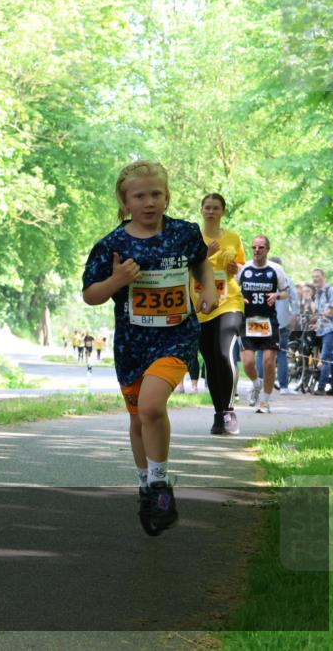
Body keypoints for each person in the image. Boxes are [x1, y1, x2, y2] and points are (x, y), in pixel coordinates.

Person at [82, 160, 216, 537]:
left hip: (176, 336)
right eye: (139, 195)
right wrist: (116, 280)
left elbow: (201, 263)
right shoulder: (112, 245)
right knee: (139, 418)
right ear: (125, 202)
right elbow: (91, 295)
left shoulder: (185, 234)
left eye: (156, 194)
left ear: (167, 197)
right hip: (132, 343)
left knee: (152, 406)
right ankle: (145, 487)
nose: (149, 202)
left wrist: (207, 287)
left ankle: (159, 485)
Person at [193, 193, 245, 435]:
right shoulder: (193, 238)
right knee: (210, 359)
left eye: (216, 208)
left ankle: (230, 411)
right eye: (207, 207)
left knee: (224, 352)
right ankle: (218, 413)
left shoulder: (233, 238)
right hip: (202, 304)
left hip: (229, 301)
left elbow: (239, 267)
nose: (211, 211)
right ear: (201, 211)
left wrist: (235, 268)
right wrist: (204, 253)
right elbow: (183, 268)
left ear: (222, 211)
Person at [238, 235, 291, 414]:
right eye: (254, 247)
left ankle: (265, 401)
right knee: (247, 362)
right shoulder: (243, 269)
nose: (257, 250)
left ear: (267, 249)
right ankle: (256, 384)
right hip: (247, 321)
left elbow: (286, 293)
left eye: (261, 247)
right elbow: (233, 290)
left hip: (269, 322)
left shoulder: (276, 270)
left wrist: (276, 296)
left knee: (269, 362)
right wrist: (239, 298)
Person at [255, 256, 296, 394]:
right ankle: (284, 387)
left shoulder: (260, 278)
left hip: (262, 320)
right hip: (281, 322)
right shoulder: (287, 281)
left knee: (261, 351)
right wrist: (293, 318)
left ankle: (260, 382)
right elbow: (294, 301)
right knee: (282, 353)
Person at [311, 268, 333, 396]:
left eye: (317, 276)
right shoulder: (317, 294)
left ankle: (321, 387)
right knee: (332, 358)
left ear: (323, 277)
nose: (315, 279)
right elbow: (321, 314)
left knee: (325, 357)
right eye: (313, 277)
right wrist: (316, 324)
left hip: (331, 329)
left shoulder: (331, 291)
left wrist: (320, 316)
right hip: (323, 330)